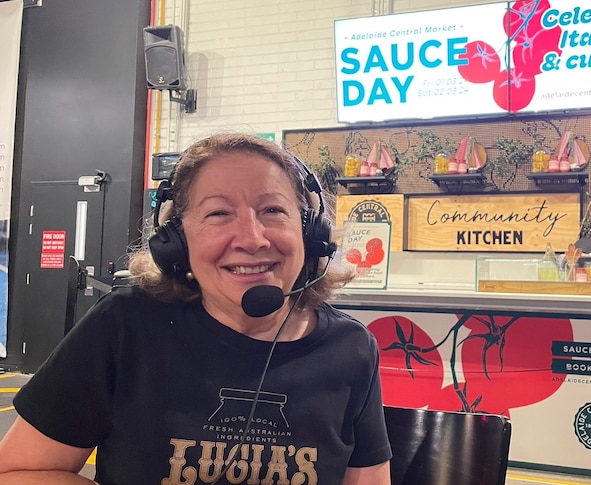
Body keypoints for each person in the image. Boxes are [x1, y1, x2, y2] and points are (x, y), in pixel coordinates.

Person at [0, 133, 392, 484]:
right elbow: (18, 471)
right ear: (177, 241)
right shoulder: (126, 326)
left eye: (273, 210)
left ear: (311, 233)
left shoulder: (351, 348)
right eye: (218, 213)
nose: (252, 238)